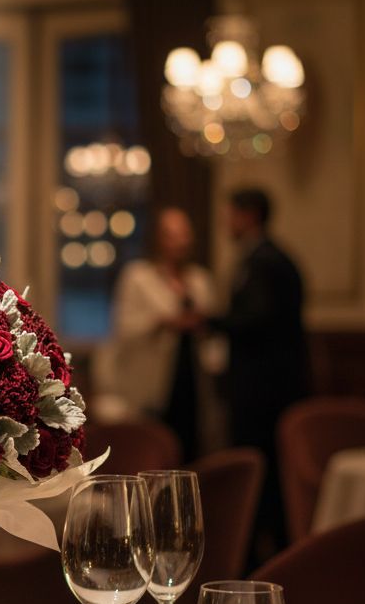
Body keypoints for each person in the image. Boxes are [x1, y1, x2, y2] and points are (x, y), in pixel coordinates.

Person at [207, 187, 309, 557]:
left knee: (264, 472)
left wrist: (209, 320)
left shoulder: (266, 261)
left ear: (248, 215)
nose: (225, 223)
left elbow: (260, 320)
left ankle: (261, 556)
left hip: (266, 391)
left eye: (230, 214)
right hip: (266, 387)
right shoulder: (267, 257)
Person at [105, 207, 215, 461]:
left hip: (192, 376)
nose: (180, 241)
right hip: (151, 381)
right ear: (157, 238)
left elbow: (212, 327)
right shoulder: (138, 277)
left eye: (184, 234)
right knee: (151, 451)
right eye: (171, 234)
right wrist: (162, 322)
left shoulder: (200, 280)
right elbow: (123, 328)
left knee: (191, 450)